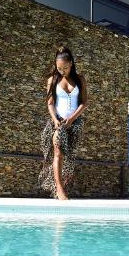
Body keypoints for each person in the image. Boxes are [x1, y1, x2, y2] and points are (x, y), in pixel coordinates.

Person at [39, 46, 88, 199]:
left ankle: (61, 185)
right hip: (58, 122)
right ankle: (59, 189)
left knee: (69, 156)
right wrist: (55, 121)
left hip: (75, 122)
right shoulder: (52, 80)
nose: (62, 71)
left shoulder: (80, 79)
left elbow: (84, 103)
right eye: (59, 68)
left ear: (71, 64)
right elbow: (50, 103)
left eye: (65, 68)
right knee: (58, 151)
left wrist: (72, 118)